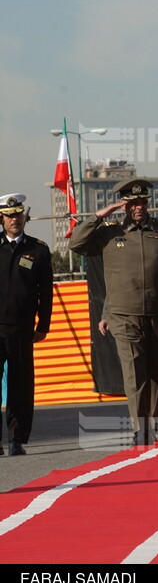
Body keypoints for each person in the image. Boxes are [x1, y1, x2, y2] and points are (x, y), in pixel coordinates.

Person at [69, 179, 158, 445]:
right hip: (123, 315)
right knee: (134, 373)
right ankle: (138, 428)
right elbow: (76, 244)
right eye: (133, 203)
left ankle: (151, 426)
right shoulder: (108, 234)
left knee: (155, 373)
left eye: (143, 202)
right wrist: (98, 216)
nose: (139, 207)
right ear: (124, 206)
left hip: (157, 314)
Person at [0, 194, 52, 456]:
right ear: (2, 219)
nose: (14, 219)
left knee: (20, 385)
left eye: (18, 214)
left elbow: (46, 292)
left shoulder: (38, 249)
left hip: (21, 327)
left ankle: (16, 439)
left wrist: (43, 325)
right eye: (9, 216)